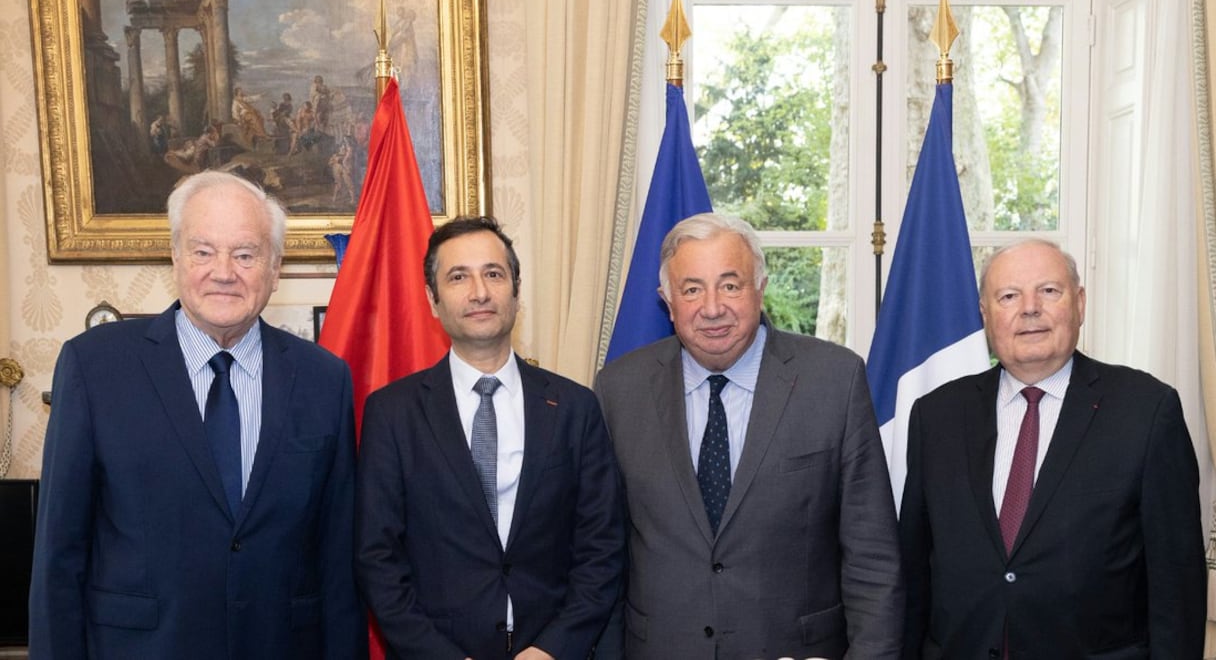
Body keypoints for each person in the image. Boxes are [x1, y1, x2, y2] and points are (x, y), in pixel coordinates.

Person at [28, 171, 366, 659]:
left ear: (275, 268)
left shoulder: (323, 378)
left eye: (245, 254)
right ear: (176, 257)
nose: (223, 271)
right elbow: (59, 555)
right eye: (203, 251)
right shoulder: (94, 366)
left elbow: (337, 564)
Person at [594, 213, 903, 658]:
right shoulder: (618, 389)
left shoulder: (834, 380)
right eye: (692, 288)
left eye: (731, 284)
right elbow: (602, 554)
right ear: (667, 299)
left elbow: (871, 557)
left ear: (760, 287)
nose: (713, 307)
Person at [899, 239, 1205, 659]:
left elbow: (1177, 586)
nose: (1029, 308)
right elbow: (913, 573)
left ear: (1079, 303)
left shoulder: (1147, 411)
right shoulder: (936, 416)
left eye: (1048, 291)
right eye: (1009, 296)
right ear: (986, 315)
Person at [355, 216, 626, 660]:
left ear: (516, 291)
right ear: (432, 299)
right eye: (458, 277)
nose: (479, 292)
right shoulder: (393, 413)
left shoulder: (575, 406)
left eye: (493, 274)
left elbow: (602, 546)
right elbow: (377, 557)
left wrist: (552, 649)